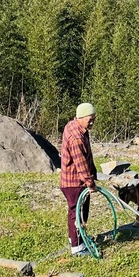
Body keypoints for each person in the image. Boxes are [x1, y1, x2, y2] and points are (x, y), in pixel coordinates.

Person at [60, 101, 97, 256]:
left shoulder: (75, 126)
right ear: (81, 117)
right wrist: (90, 182)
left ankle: (77, 239)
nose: (92, 122)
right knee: (77, 214)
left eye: (94, 118)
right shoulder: (76, 137)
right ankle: (77, 247)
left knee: (78, 211)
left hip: (75, 181)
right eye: (90, 119)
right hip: (74, 183)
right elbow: (81, 164)